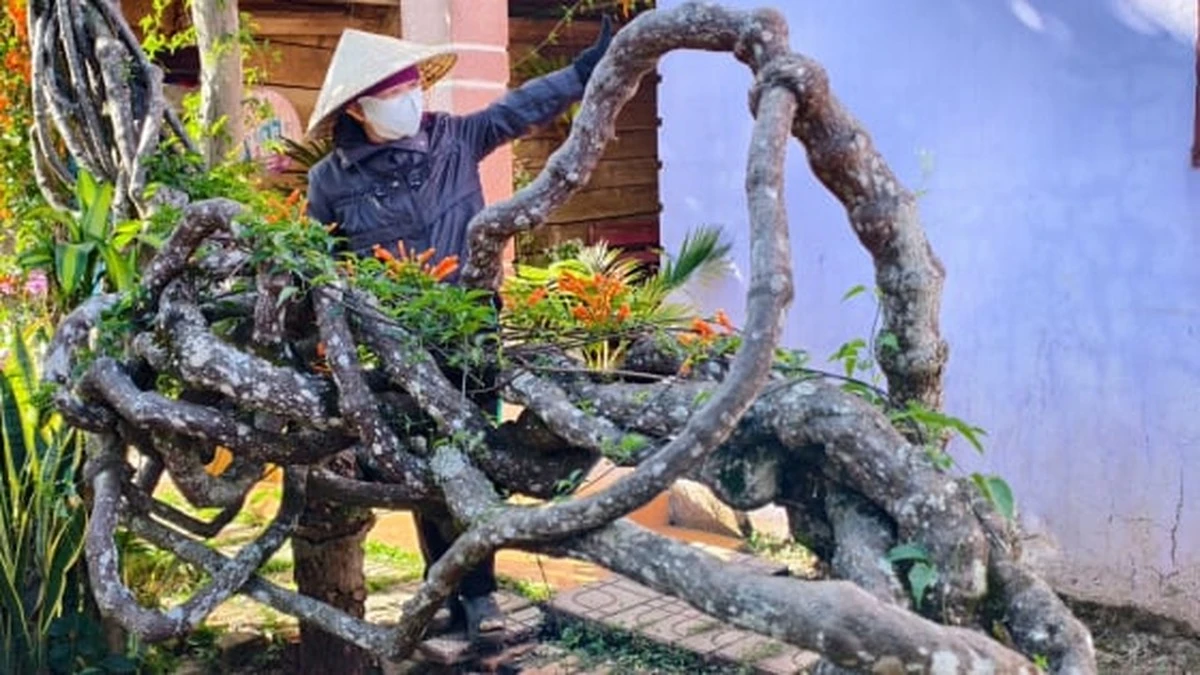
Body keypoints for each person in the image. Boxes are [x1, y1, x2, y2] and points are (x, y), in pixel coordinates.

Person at [302, 20, 613, 642]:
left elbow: (517, 110)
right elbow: (317, 268)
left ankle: (479, 594)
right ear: (360, 108)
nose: (411, 97)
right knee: (421, 465)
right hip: (395, 343)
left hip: (470, 330)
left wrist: (584, 73)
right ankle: (444, 583)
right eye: (395, 89)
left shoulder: (455, 137)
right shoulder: (330, 181)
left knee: (471, 455)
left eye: (414, 83)